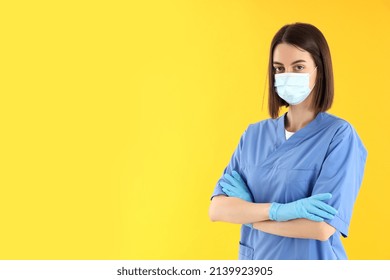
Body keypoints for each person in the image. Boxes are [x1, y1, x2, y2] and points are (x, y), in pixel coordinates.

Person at [208, 22, 367, 260]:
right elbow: (217, 209)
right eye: (279, 68)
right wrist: (279, 211)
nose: (287, 76)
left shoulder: (339, 136)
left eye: (298, 66)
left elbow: (321, 227)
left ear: (319, 70)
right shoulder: (253, 136)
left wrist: (251, 218)